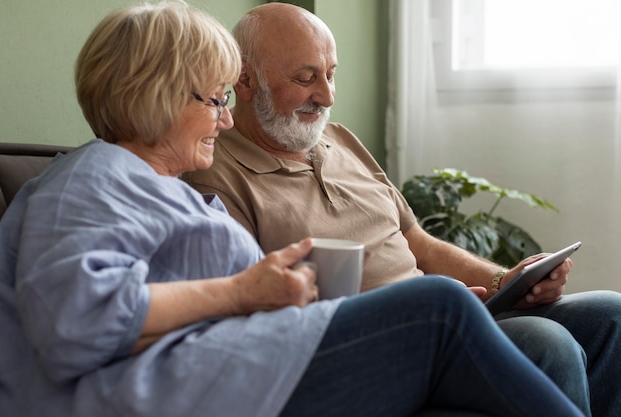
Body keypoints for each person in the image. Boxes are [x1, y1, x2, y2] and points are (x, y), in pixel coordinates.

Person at [0, 2, 587, 417]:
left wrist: (283, 290)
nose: (226, 117)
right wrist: (244, 292)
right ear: (160, 94)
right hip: (179, 392)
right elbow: (75, 326)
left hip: (244, 369)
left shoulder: (166, 190)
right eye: (217, 97)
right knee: (440, 307)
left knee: (591, 316)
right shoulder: (88, 182)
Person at [182, 3, 621, 417]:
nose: (327, 96)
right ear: (244, 81)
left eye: (332, 74)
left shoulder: (341, 139)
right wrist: (423, 311)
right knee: (547, 342)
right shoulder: (215, 173)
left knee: (611, 316)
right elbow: (257, 306)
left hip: (450, 313)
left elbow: (418, 242)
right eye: (306, 78)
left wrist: (503, 281)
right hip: (391, 339)